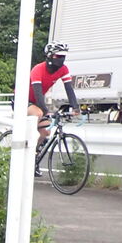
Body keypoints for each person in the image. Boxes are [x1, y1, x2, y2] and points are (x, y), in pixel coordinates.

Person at [29, 42, 81, 174]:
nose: (62, 59)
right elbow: (38, 94)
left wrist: (75, 107)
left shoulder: (63, 69)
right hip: (24, 100)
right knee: (39, 113)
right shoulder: (38, 69)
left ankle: (31, 158)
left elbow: (69, 89)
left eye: (64, 56)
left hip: (37, 102)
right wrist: (47, 112)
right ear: (50, 56)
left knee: (46, 131)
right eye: (59, 56)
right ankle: (25, 141)